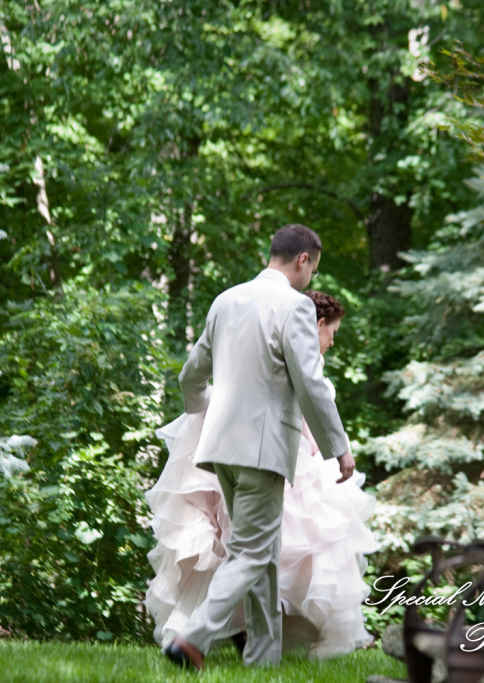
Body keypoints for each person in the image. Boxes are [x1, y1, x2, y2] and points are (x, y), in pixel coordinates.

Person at [158, 224, 354, 670]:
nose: (312, 280)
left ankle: (263, 658)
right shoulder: (295, 306)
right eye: (314, 269)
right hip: (262, 448)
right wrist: (338, 448)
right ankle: (193, 637)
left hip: (218, 448)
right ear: (302, 260)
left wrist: (204, 409)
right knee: (252, 551)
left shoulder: (225, 301)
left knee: (260, 550)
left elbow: (191, 374)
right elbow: (310, 383)